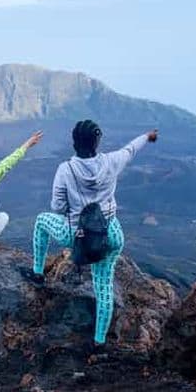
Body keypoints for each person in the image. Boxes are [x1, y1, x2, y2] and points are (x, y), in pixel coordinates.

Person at [29, 120, 158, 347]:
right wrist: (147, 136)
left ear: (74, 142)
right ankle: (99, 341)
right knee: (104, 287)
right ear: (97, 142)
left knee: (41, 222)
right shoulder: (111, 161)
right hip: (109, 234)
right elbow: (131, 149)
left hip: (76, 234)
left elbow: (57, 208)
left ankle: (38, 273)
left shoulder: (65, 170)